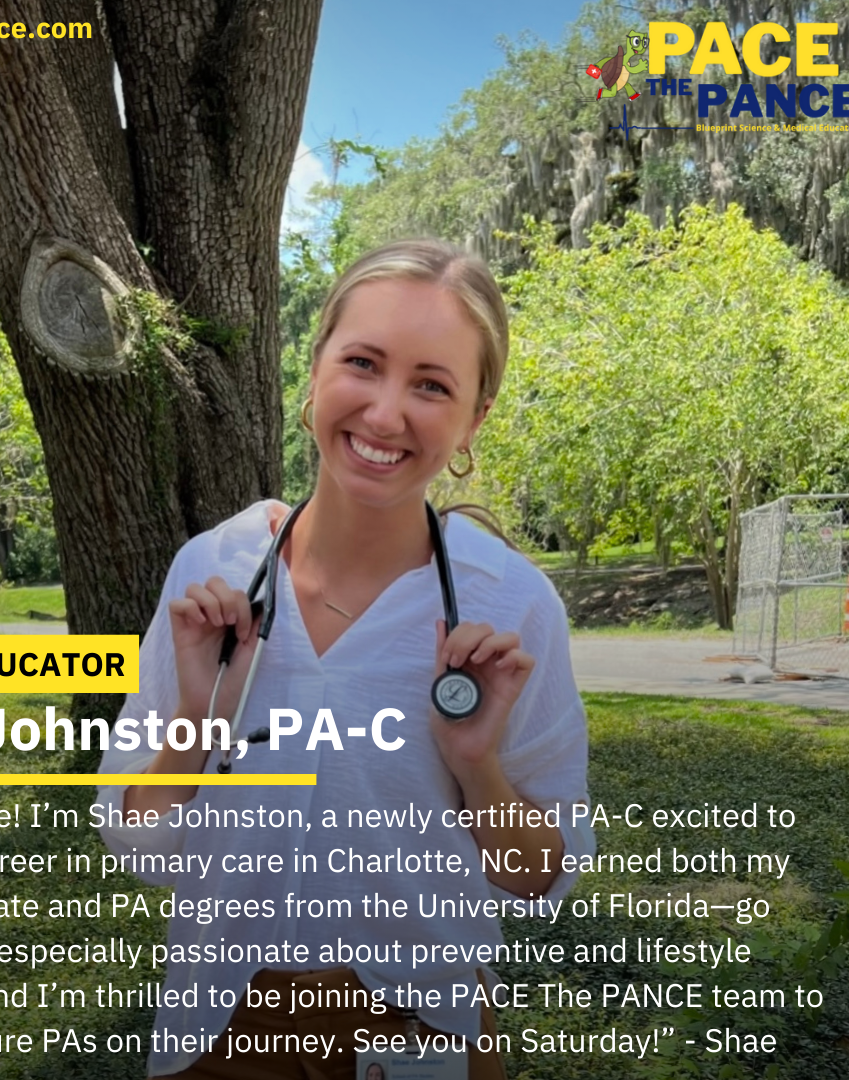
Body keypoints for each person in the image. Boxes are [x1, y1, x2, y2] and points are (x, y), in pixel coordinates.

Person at [96, 238, 596, 1079]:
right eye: (363, 362)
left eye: (432, 385)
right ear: (316, 369)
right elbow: (138, 842)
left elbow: (542, 878)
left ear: (474, 418)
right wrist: (195, 722)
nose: (387, 413)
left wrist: (477, 769)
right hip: (224, 1038)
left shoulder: (510, 605)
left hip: (424, 1038)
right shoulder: (212, 573)